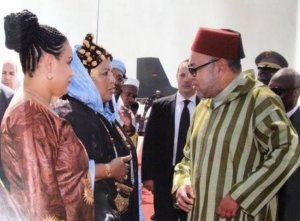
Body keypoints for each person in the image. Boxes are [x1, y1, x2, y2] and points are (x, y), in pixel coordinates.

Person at [172, 27, 300, 221]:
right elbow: (187, 158)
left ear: (220, 67)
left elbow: (289, 149)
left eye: (194, 69)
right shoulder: (203, 107)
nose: (191, 77)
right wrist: (182, 183)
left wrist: (241, 195)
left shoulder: (259, 100)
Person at [0, 10, 93, 220]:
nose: (72, 72)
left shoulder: (37, 112)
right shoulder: (30, 119)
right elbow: (44, 210)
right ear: (50, 64)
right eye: (68, 62)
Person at [53, 33, 139, 221]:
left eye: (111, 73)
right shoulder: (69, 114)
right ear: (83, 77)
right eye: (104, 73)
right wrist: (108, 169)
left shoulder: (98, 113)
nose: (112, 80)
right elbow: (63, 173)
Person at [142, 59, 199, 221]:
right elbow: (150, 142)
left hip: (193, 178)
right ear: (176, 77)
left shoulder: (206, 107)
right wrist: (148, 176)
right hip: (164, 177)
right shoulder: (160, 106)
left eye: (190, 75)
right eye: (182, 75)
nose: (186, 79)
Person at [268, 68, 300, 221]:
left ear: (296, 92)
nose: (272, 96)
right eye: (270, 90)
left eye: (278, 91)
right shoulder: (261, 121)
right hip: (262, 207)